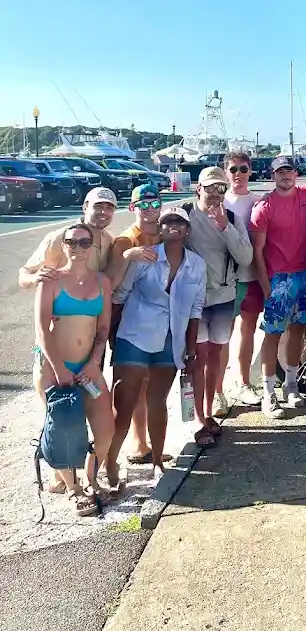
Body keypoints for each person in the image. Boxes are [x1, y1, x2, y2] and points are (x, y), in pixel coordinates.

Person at [107, 205, 207, 483]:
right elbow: (120, 296)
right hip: (134, 335)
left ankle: (157, 461)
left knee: (157, 401)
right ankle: (110, 462)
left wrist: (191, 349)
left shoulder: (197, 264)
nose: (174, 225)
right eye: (167, 221)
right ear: (160, 229)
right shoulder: (144, 257)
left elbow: (196, 309)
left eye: (179, 222)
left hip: (171, 339)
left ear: (188, 230)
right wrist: (112, 336)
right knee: (124, 404)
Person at [34, 223, 115, 514]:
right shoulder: (51, 280)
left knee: (105, 429)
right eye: (72, 242)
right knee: (64, 427)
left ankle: (91, 478)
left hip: (87, 367)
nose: (77, 247)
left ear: (92, 246)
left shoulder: (102, 282)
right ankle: (73, 489)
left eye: (84, 242)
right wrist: (59, 369)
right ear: (64, 245)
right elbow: (42, 330)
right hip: (53, 366)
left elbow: (103, 328)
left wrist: (94, 362)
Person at [250, 156, 306, 418]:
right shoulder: (263, 207)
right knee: (272, 335)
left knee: (298, 332)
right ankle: (268, 392)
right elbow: (257, 253)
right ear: (273, 175)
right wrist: (266, 286)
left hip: (304, 274)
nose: (285, 175)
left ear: (295, 173)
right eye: (280, 171)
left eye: (289, 170)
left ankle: (291, 386)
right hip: (277, 280)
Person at [182, 167, 253, 434]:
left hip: (224, 298)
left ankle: (209, 410)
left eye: (220, 188)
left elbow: (246, 257)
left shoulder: (232, 218)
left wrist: (225, 227)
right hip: (193, 300)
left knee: (216, 355)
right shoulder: (185, 216)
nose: (215, 193)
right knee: (198, 357)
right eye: (209, 188)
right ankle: (199, 417)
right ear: (198, 189)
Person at [105, 183, 163, 465]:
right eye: (143, 205)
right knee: (129, 388)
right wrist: (128, 257)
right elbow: (111, 286)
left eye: (155, 204)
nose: (150, 209)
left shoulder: (166, 233)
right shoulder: (125, 241)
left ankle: (143, 442)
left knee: (150, 384)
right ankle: (116, 452)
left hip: (156, 322)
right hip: (127, 322)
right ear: (132, 208)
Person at [223, 150, 263, 410]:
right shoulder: (218, 201)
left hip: (253, 277)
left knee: (247, 330)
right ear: (226, 173)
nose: (238, 174)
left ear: (250, 171)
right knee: (221, 335)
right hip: (225, 281)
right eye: (233, 169)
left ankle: (244, 382)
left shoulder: (259, 201)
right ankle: (217, 389)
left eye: (243, 169)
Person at [19, 186, 116, 289]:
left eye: (109, 208)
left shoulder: (111, 240)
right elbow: (24, 275)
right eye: (98, 206)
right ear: (85, 208)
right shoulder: (60, 238)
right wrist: (34, 278)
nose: (104, 212)